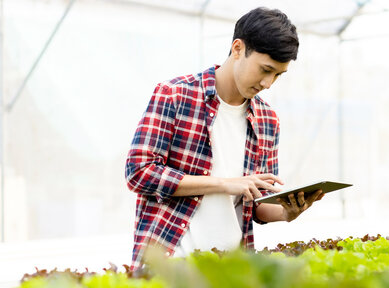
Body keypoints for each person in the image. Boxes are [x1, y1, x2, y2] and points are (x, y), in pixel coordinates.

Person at [125, 7, 323, 270]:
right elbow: (139, 172)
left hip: (230, 272)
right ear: (238, 49)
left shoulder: (267, 120)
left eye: (277, 74)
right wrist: (224, 183)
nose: (268, 83)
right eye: (265, 70)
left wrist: (287, 212)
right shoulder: (175, 95)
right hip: (170, 264)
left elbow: (256, 203)